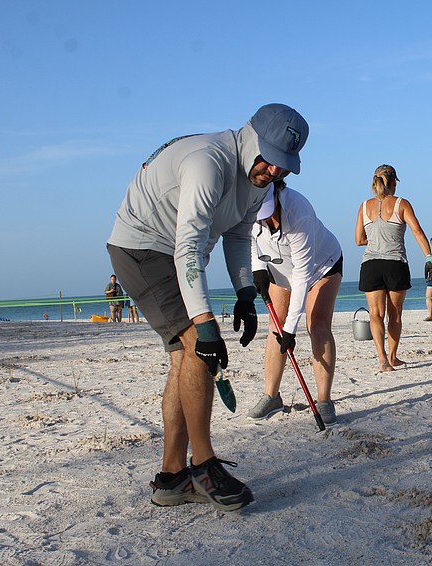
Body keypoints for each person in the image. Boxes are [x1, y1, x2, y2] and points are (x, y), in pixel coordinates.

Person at [107, 103, 309, 511]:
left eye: (283, 166)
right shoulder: (208, 163)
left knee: (185, 357)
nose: (273, 172)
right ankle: (203, 465)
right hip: (143, 247)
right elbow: (188, 247)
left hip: (176, 253)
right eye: (269, 160)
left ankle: (171, 478)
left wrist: (246, 294)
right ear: (250, 137)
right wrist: (205, 325)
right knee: (199, 349)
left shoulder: (260, 182)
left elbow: (237, 237)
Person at [247, 180, 342, 425]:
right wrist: (258, 269)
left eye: (270, 214)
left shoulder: (299, 212)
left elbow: (302, 277)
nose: (267, 221)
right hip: (280, 267)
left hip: (322, 266)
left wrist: (291, 330)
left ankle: (324, 400)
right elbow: (249, 241)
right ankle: (271, 396)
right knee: (274, 325)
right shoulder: (247, 209)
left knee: (316, 324)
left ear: (278, 193)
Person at [356, 164, 432, 372]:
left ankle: (382, 358)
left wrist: (375, 239)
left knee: (375, 314)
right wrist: (428, 257)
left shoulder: (364, 207)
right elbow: (417, 231)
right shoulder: (401, 204)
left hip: (371, 265)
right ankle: (392, 356)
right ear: (394, 182)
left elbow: (358, 239)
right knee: (395, 315)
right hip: (395, 263)